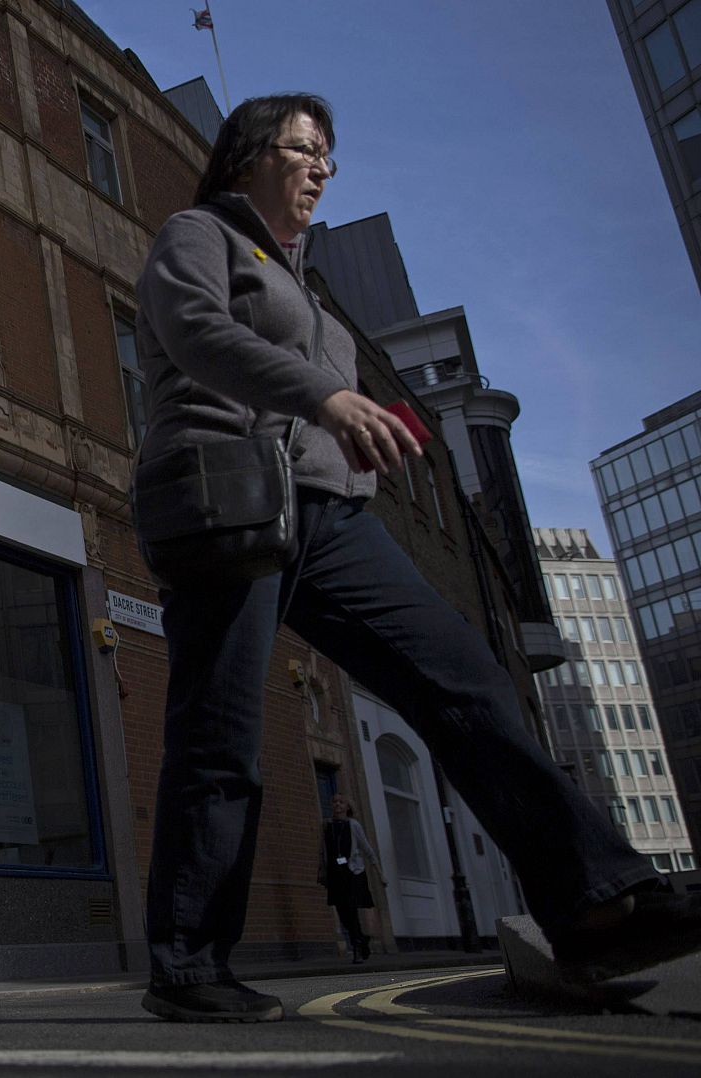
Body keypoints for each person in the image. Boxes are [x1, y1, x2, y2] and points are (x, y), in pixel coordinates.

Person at [132, 92, 701, 1023]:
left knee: (468, 683)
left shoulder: (304, 282)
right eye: (307, 149)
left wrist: (355, 437)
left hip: (329, 519)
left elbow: (321, 399)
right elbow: (197, 336)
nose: (323, 168)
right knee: (220, 735)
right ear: (246, 158)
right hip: (224, 500)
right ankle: (188, 966)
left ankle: (598, 904)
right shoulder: (198, 235)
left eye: (332, 158)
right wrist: (326, 397)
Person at [319, 795, 379, 964]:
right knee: (342, 912)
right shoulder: (327, 825)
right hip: (335, 874)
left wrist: (379, 871)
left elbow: (366, 847)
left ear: (347, 807)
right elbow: (322, 849)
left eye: (341, 802)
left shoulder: (353, 825)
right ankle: (362, 938)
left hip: (352, 873)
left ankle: (357, 948)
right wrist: (322, 870)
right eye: (334, 802)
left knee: (351, 910)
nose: (337, 805)